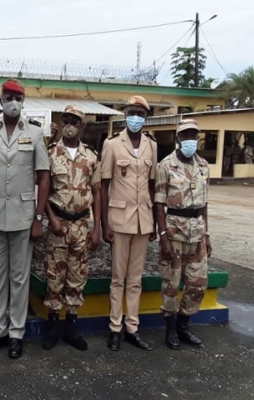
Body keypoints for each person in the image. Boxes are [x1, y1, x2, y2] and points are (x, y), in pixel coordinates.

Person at [0, 79, 50, 359]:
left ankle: (16, 333)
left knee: (19, 279)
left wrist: (38, 217)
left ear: (23, 101)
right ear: (1, 101)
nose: (13, 103)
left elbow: (44, 177)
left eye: (18, 98)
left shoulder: (35, 132)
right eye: (9, 98)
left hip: (23, 217)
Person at [101, 95, 157, 352]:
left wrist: (154, 221)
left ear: (146, 117)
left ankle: (132, 327)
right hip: (119, 219)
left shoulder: (151, 146)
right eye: (132, 113)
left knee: (135, 279)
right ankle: (115, 327)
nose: (136, 117)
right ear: (125, 115)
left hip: (143, 220)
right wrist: (104, 223)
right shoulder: (112, 144)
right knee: (117, 278)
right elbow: (104, 185)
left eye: (140, 114)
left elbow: (152, 184)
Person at [42, 106, 101, 351]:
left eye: (74, 122)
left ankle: (71, 326)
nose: (69, 125)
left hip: (81, 224)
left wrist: (97, 228)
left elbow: (96, 193)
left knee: (77, 276)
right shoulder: (50, 153)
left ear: (81, 126)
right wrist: (51, 219)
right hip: (59, 223)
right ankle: (53, 325)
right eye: (66, 120)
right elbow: (42, 190)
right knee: (55, 275)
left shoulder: (91, 156)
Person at [155, 119, 212, 350]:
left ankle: (184, 326)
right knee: (171, 282)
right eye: (185, 135)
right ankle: (170, 329)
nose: (190, 139)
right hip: (174, 232)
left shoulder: (203, 165)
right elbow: (159, 204)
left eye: (193, 135)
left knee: (197, 282)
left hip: (197, 231)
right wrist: (163, 236)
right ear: (178, 138)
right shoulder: (166, 165)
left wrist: (207, 234)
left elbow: (205, 203)